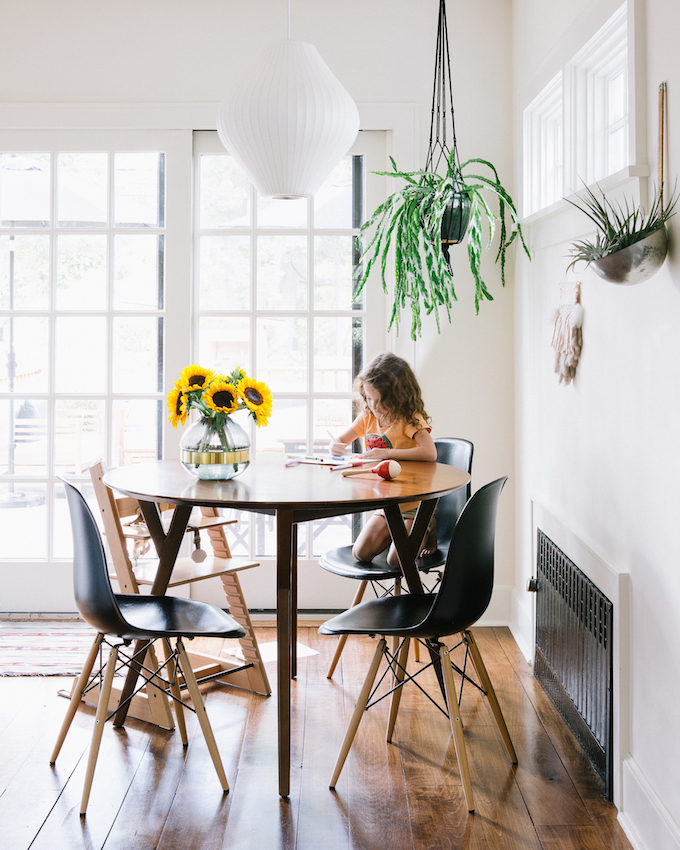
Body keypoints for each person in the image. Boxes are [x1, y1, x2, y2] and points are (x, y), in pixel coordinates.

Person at [329, 352, 437, 565]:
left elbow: (430, 452)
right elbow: (340, 441)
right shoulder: (368, 417)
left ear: (398, 397)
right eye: (369, 398)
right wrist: (336, 447)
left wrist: (386, 453)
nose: (374, 406)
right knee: (360, 553)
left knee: (397, 560)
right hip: (387, 504)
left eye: (380, 401)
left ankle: (428, 525)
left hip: (413, 504)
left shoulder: (409, 419)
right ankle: (396, 535)